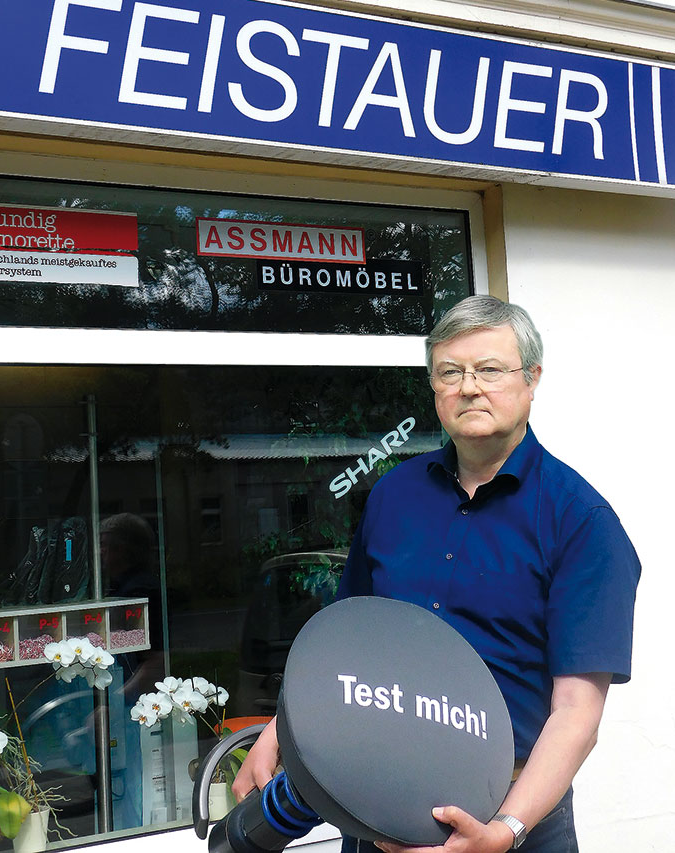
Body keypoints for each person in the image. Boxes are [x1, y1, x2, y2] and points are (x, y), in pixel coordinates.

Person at [232, 295, 640, 853]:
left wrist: (504, 832)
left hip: (509, 813)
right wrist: (280, 733)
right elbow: (348, 639)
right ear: (434, 387)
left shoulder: (581, 521)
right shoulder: (393, 495)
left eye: (490, 369)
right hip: (373, 800)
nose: (469, 387)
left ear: (532, 378)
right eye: (450, 372)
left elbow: (576, 712)